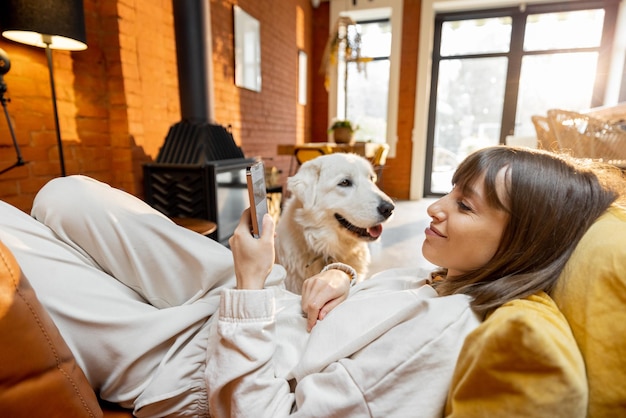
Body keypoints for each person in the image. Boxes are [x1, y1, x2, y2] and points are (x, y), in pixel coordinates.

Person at [0, 146, 621, 417]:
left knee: (10, 236)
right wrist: (343, 279)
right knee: (66, 194)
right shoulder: (449, 281)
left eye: (464, 206)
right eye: (450, 194)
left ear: (520, 240)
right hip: (262, 299)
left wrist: (245, 287)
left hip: (201, 369)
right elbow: (371, 312)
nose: (433, 208)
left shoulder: (444, 340)